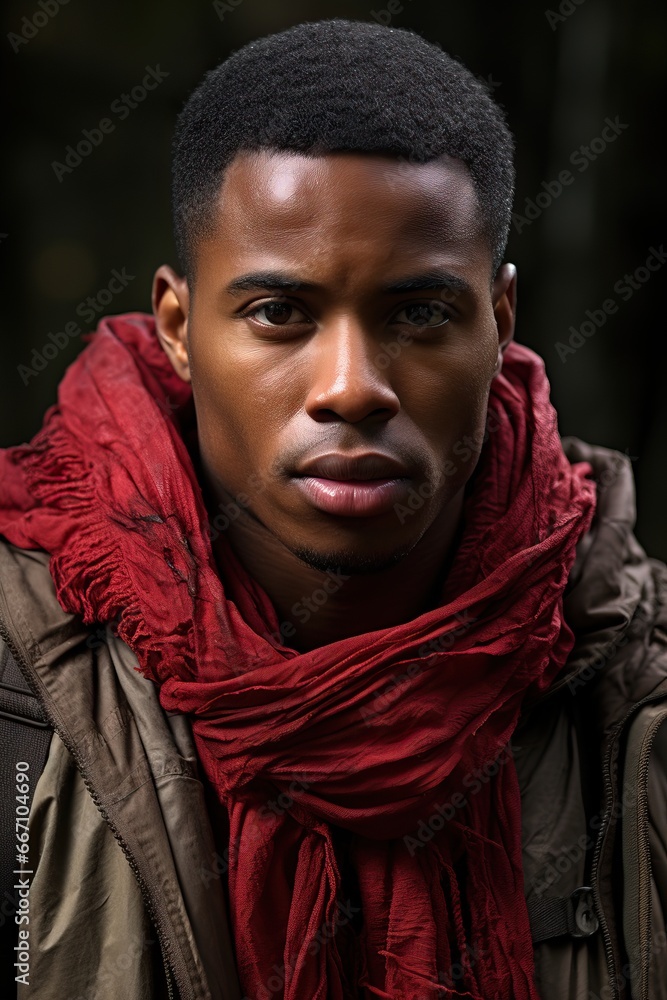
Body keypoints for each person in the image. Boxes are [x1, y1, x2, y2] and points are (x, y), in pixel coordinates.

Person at [0, 16, 666, 1000]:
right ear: (180, 328)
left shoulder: (634, 705)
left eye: (419, 313)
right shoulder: (19, 686)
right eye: (280, 313)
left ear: (500, 321)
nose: (351, 387)